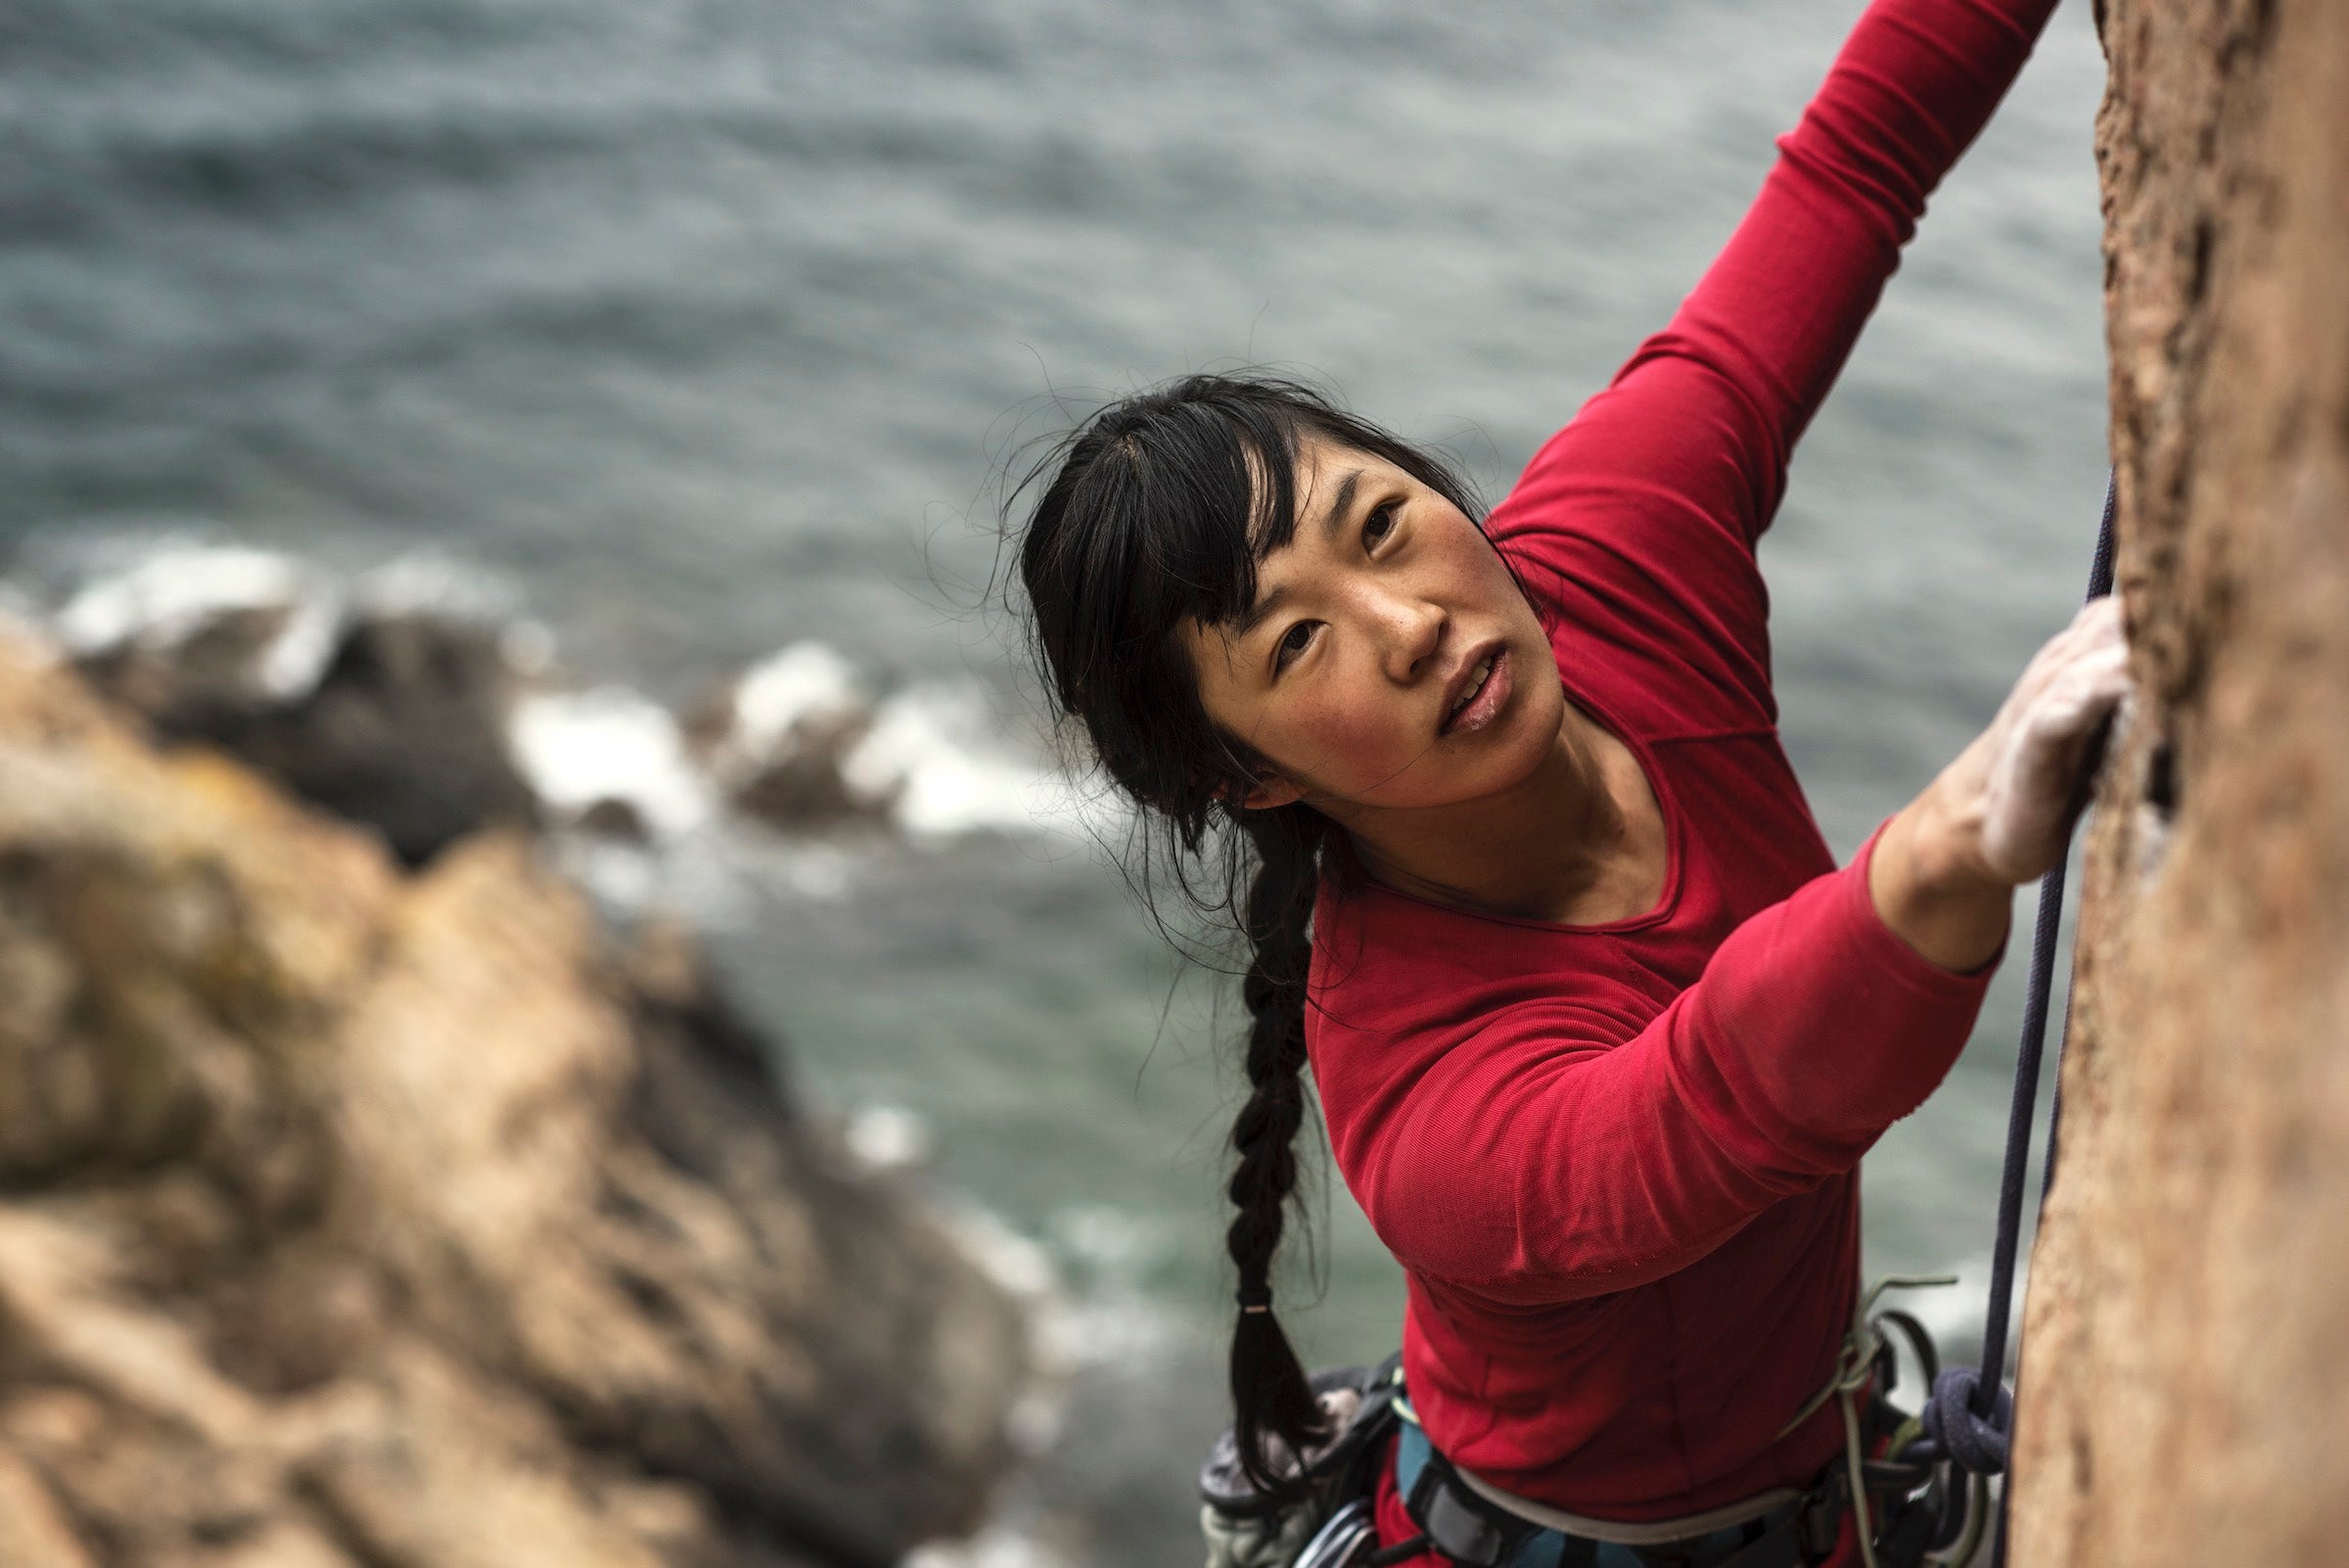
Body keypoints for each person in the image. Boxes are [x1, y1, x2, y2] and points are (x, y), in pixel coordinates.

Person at [1008, 0, 2126, 1561]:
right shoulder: (1425, 1096)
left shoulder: (1610, 550)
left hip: (1817, 1469)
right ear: (1248, 774)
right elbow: (1715, 1094)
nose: (1411, 627)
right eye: (1298, 643)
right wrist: (1954, 838)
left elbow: (1853, 175)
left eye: (1382, 523)